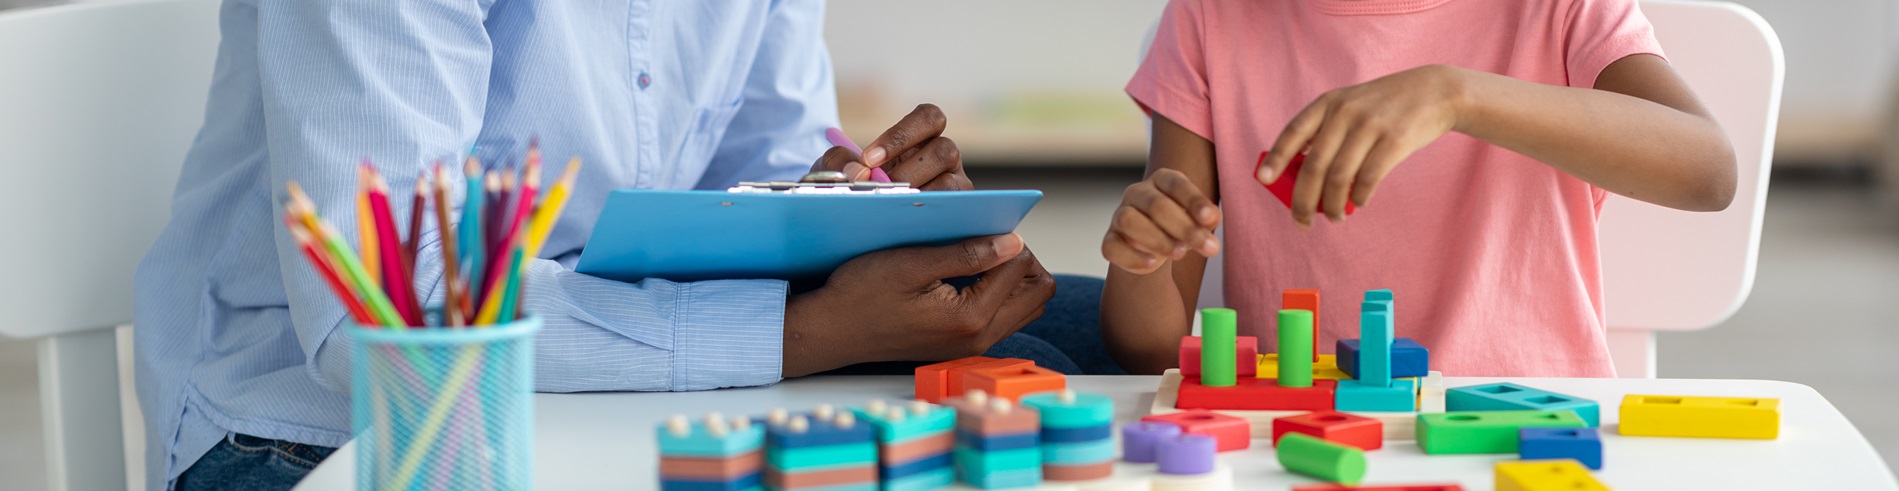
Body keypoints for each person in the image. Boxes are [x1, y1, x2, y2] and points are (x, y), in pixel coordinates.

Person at [132, 2, 1111, 489]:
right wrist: (805, 329)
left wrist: (859, 211)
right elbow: (380, 314)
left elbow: (764, 164)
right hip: (331, 434)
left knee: (1076, 337)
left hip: (624, 354)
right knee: (1009, 392)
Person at [1099, 0, 1737, 377]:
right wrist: (1142, 257)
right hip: (1300, 429)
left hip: (1527, 424)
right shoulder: (1210, 15)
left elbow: (1707, 169)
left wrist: (1459, 95)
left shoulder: (1557, 9)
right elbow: (1149, 350)